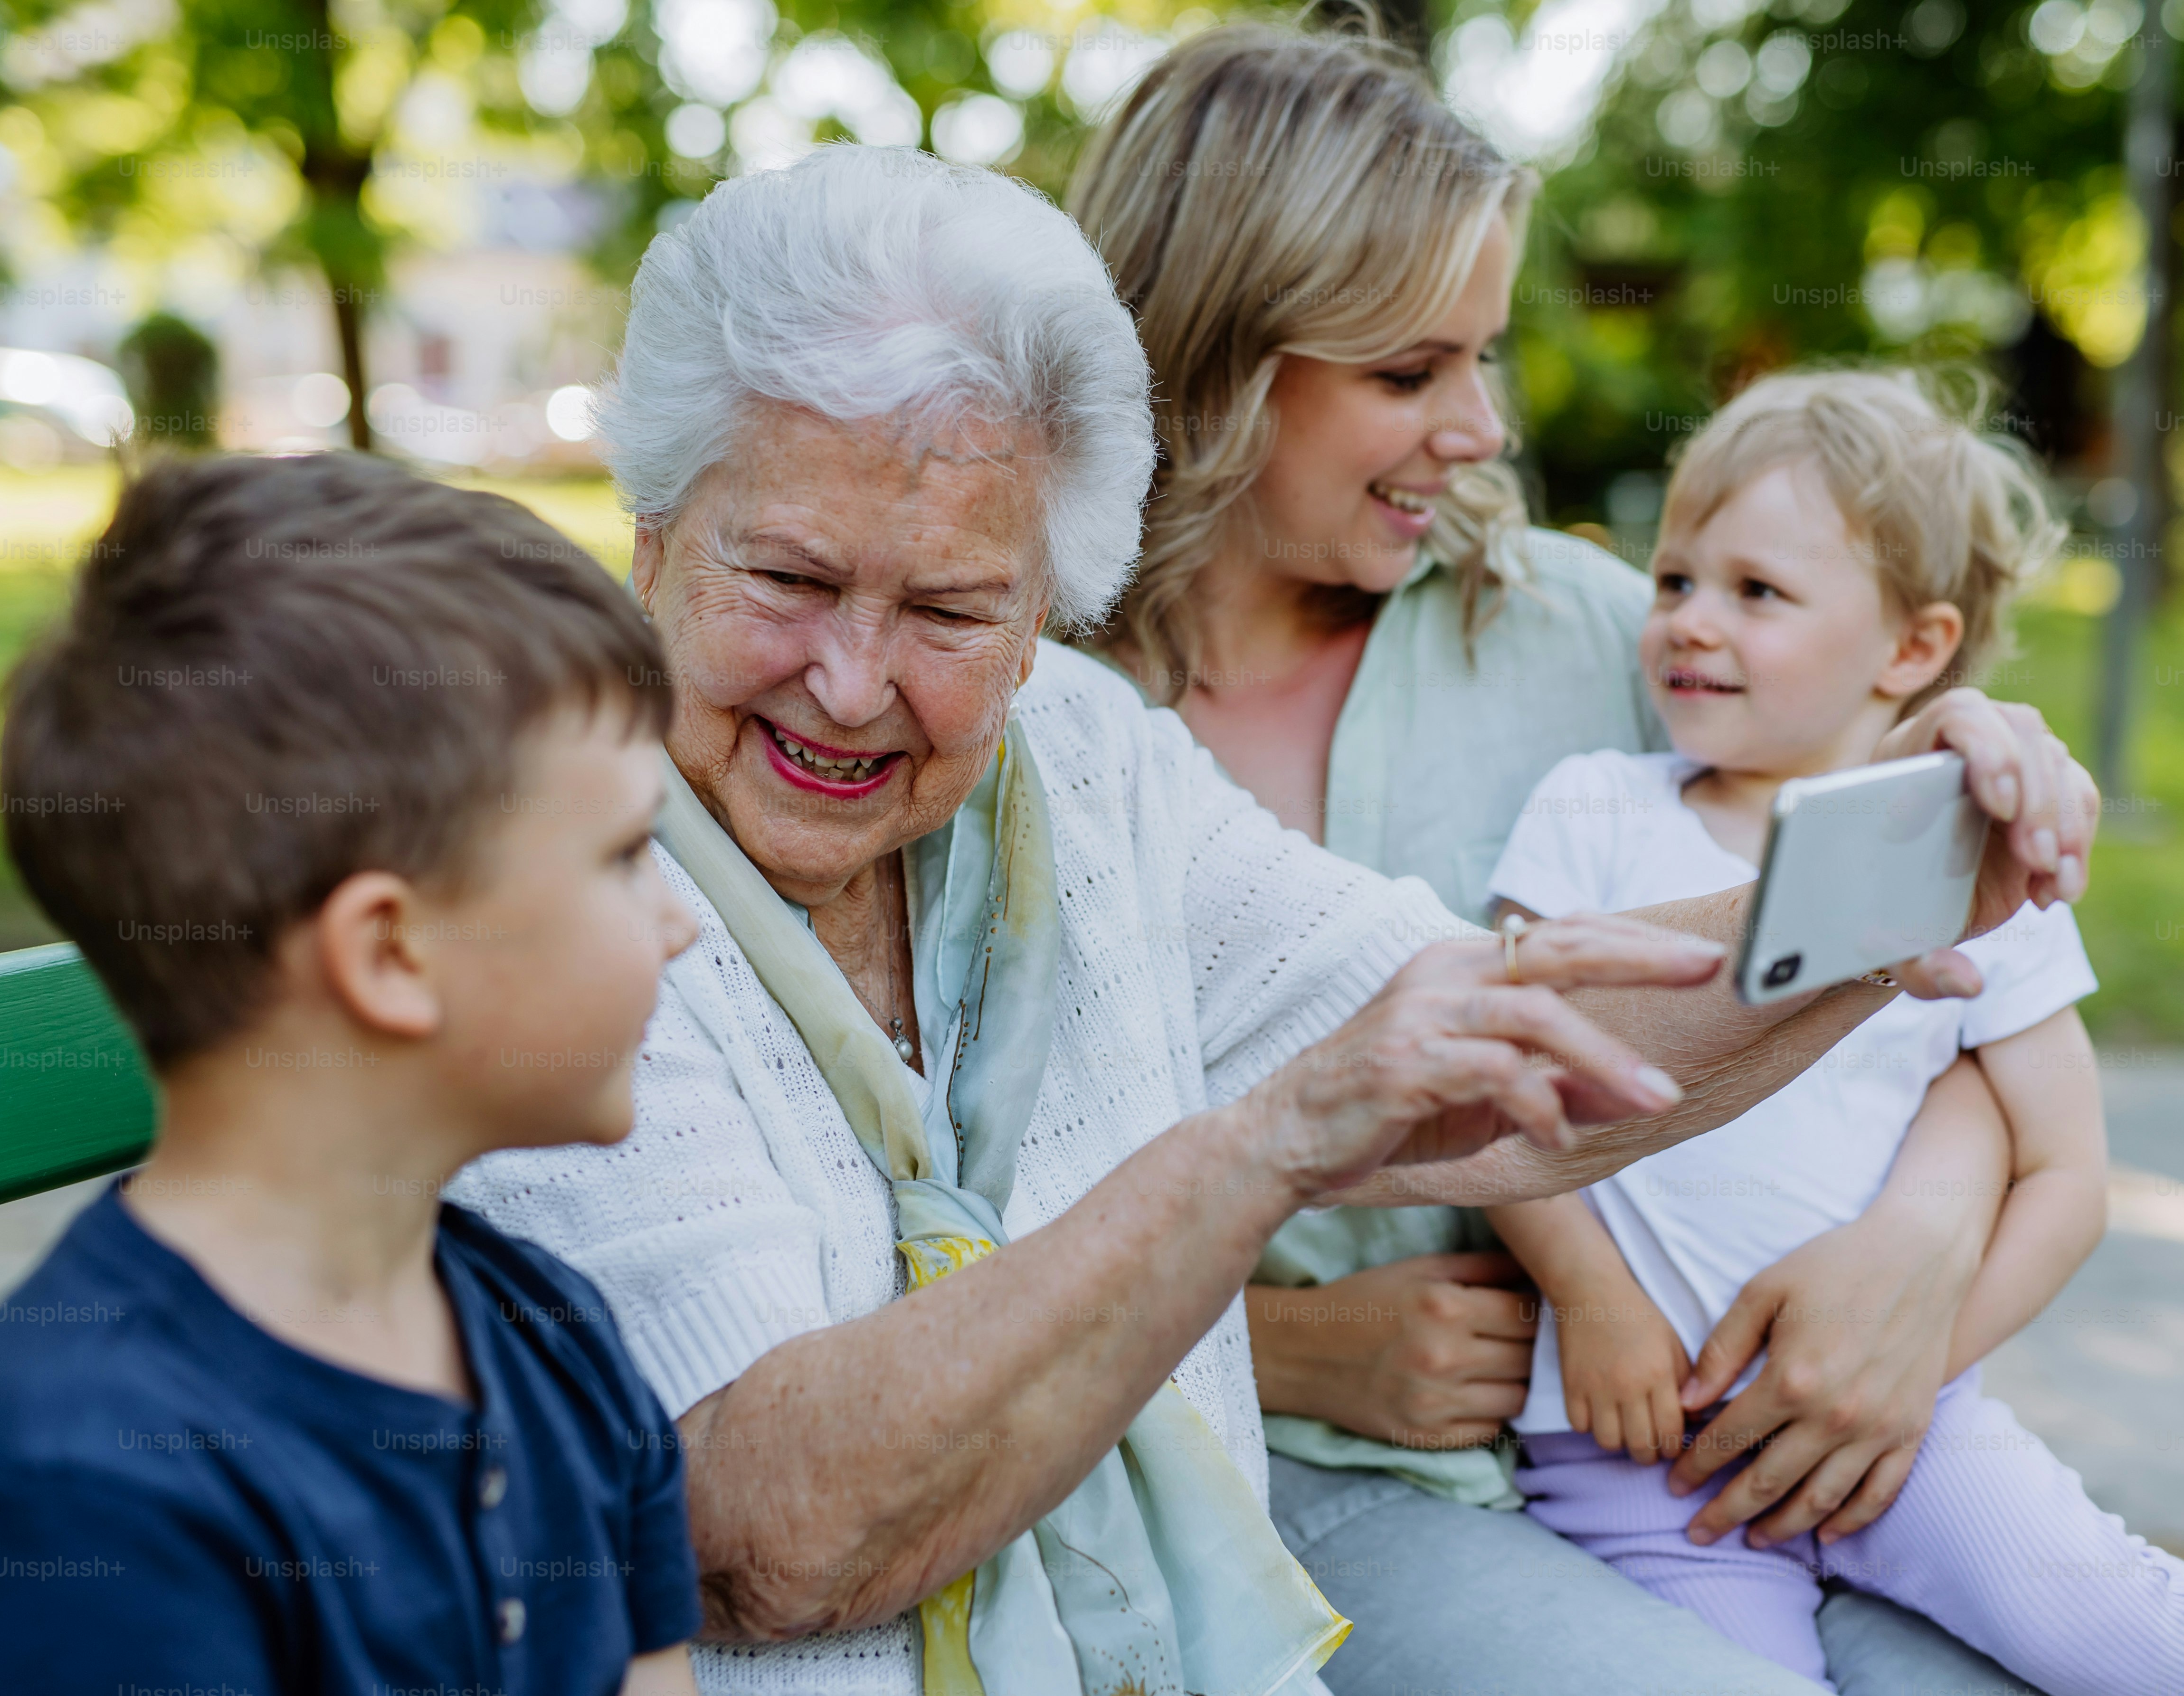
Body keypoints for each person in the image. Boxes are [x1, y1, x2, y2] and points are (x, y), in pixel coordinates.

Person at [440, 145, 2099, 1696]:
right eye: (787, 581)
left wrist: (1903, 883)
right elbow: (767, 1532)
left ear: (1039, 625)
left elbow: (1490, 1041)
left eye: (949, 608)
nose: (854, 680)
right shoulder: (539, 873)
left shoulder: (1074, 758)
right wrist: (1256, 1153)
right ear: (653, 541)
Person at [1069, 23, 2057, 1691]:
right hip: (1288, 1482)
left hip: (1672, 1453)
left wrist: (1928, 1239)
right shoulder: (1034, 719)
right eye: (1407, 372)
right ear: (1216, 355)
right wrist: (1286, 1348)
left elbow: (1937, 964)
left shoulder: (1586, 630)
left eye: (1484, 357)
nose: (1480, 427)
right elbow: (904, 1237)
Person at [1485, 369, 2184, 1694]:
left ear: (1911, 650)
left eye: (1757, 592)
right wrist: (1589, 1293)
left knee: (2142, 1646)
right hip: (1639, 1455)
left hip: (1900, 1435)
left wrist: (1916, 1367)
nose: (1692, 622)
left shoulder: (1973, 863)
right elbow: (1505, 1069)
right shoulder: (1591, 810)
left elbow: (2064, 1174)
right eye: (1675, 579)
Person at [0, 454, 706, 1695]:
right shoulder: (88, 1488)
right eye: (625, 854)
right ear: (389, 953)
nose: (681, 921)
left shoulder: (549, 1333)